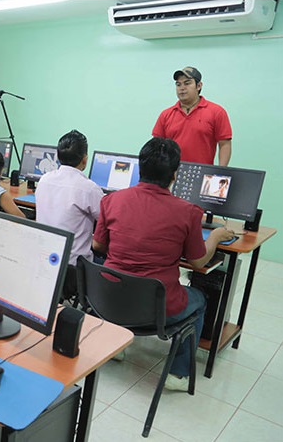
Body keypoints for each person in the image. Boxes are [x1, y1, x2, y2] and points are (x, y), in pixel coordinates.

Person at [92, 137, 234, 391]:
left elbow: (99, 247)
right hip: (156, 309)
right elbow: (198, 260)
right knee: (199, 298)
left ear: (140, 167)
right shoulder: (188, 212)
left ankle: (116, 347)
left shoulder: (111, 200)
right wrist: (214, 236)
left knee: (123, 278)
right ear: (175, 174)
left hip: (108, 300)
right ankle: (178, 375)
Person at [35, 130, 104, 301]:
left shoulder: (44, 180)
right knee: (109, 258)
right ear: (85, 159)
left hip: (44, 260)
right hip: (73, 270)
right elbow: (107, 218)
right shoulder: (88, 188)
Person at [152, 66, 232, 166]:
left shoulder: (217, 112)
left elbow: (224, 144)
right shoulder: (166, 114)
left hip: (202, 174)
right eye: (178, 84)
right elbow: (156, 147)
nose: (182, 88)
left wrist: (221, 172)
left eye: (187, 83)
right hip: (171, 175)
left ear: (199, 86)